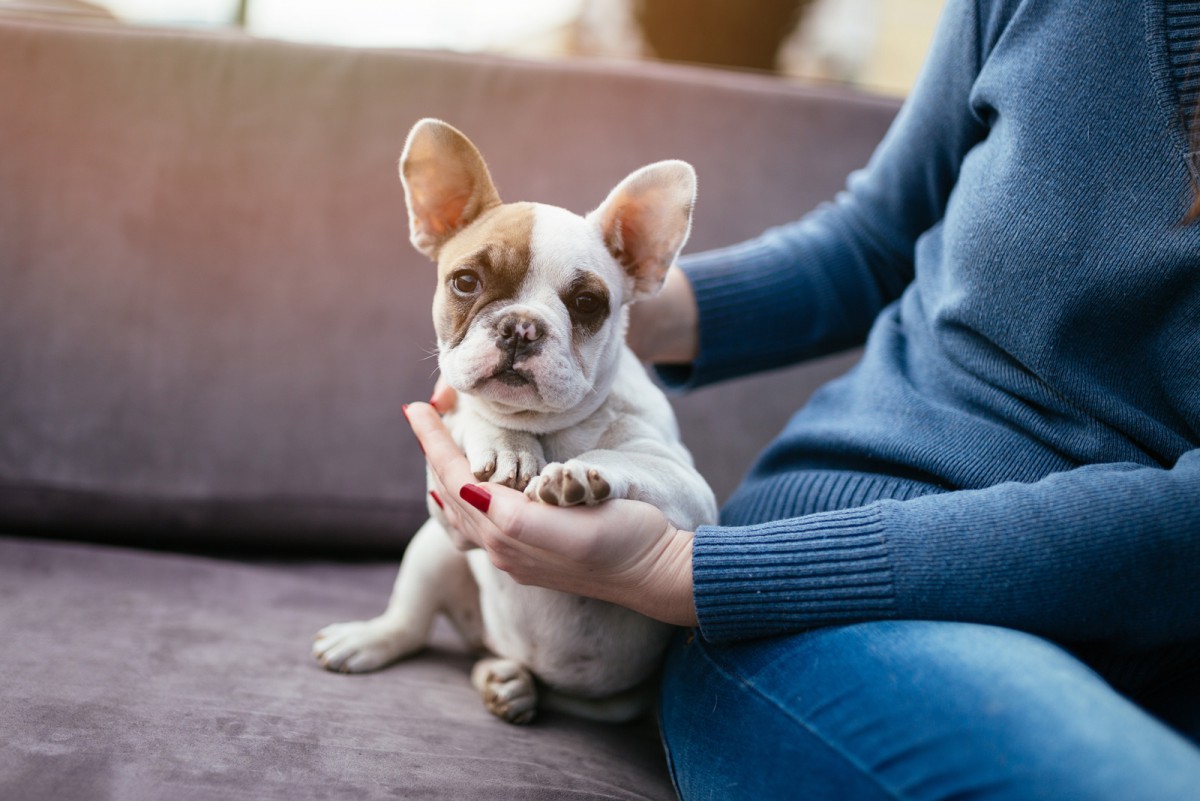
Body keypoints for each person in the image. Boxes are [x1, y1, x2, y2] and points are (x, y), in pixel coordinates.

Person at [403, 0, 1200, 798]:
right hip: (830, 574)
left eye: (581, 306)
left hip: (1114, 617)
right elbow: (877, 238)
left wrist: (685, 567)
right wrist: (615, 319)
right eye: (475, 287)